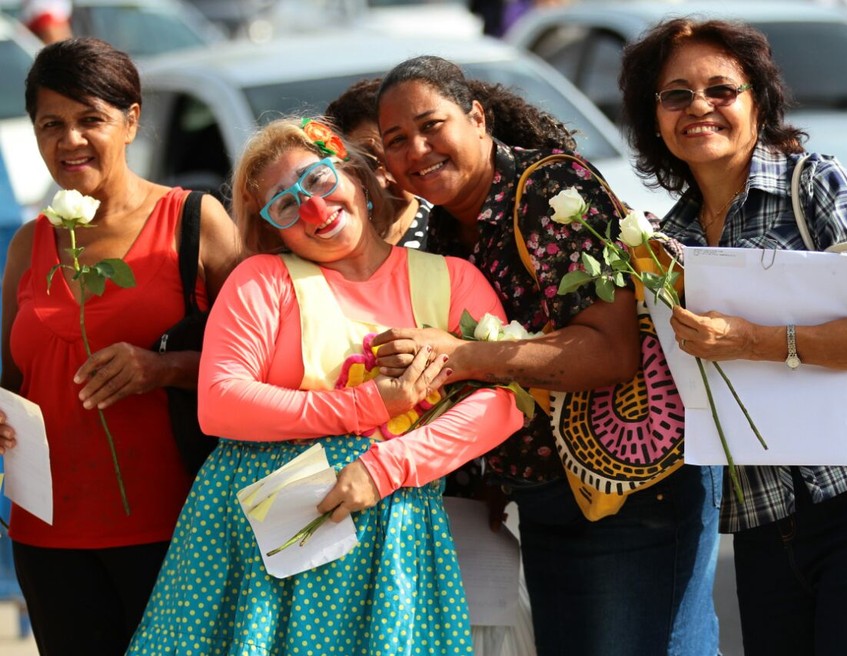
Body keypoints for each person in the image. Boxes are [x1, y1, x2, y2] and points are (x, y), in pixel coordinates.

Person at [124, 116, 525, 655]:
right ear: (273, 230)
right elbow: (219, 402)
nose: (314, 209)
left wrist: (384, 467)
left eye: (317, 180)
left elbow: (505, 401)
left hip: (394, 538)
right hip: (258, 545)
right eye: (286, 205)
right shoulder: (262, 280)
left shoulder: (451, 280)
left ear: (356, 176)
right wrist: (368, 405)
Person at [618, 17, 847, 655]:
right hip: (766, 518)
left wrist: (752, 340)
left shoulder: (815, 182)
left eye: (722, 89)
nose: (700, 107)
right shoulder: (673, 239)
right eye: (676, 94)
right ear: (653, 116)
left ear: (758, 100)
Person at [373, 55, 722, 656]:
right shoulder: (441, 233)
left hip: (632, 494)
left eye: (432, 125)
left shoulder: (549, 190)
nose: (418, 149)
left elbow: (611, 353)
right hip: (549, 500)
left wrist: (462, 357)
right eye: (397, 140)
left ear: (477, 118)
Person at [0, 37, 240, 656]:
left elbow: (269, 361)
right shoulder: (29, 243)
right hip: (47, 539)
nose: (69, 140)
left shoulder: (195, 220)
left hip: (179, 531)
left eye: (90, 120)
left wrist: (163, 368)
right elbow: (10, 376)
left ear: (131, 120)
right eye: (51, 124)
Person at [325, 77, 431, 249]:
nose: (383, 178)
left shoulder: (451, 234)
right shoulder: (324, 255)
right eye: (367, 162)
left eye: (396, 144)